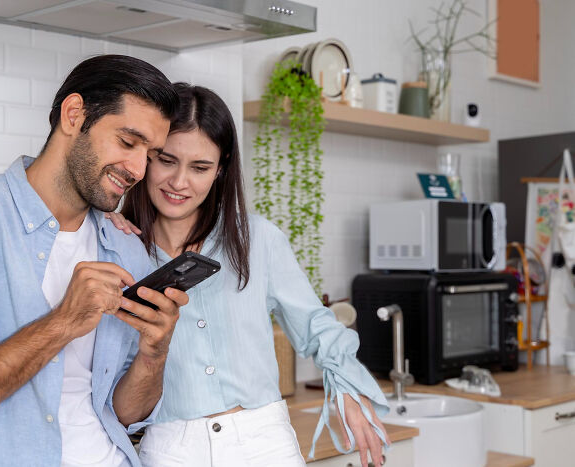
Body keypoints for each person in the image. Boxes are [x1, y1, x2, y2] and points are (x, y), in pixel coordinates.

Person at [0, 55, 189, 467]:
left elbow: (122, 416)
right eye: (127, 141)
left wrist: (154, 354)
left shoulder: (125, 249)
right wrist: (63, 321)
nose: (139, 169)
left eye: (151, 154)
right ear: (73, 115)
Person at [106, 83, 390, 467]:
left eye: (200, 167)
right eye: (166, 160)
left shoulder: (258, 239)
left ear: (221, 169)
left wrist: (349, 391)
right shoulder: (117, 248)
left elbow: (315, 325)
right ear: (146, 157)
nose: (179, 182)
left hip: (265, 443)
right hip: (170, 448)